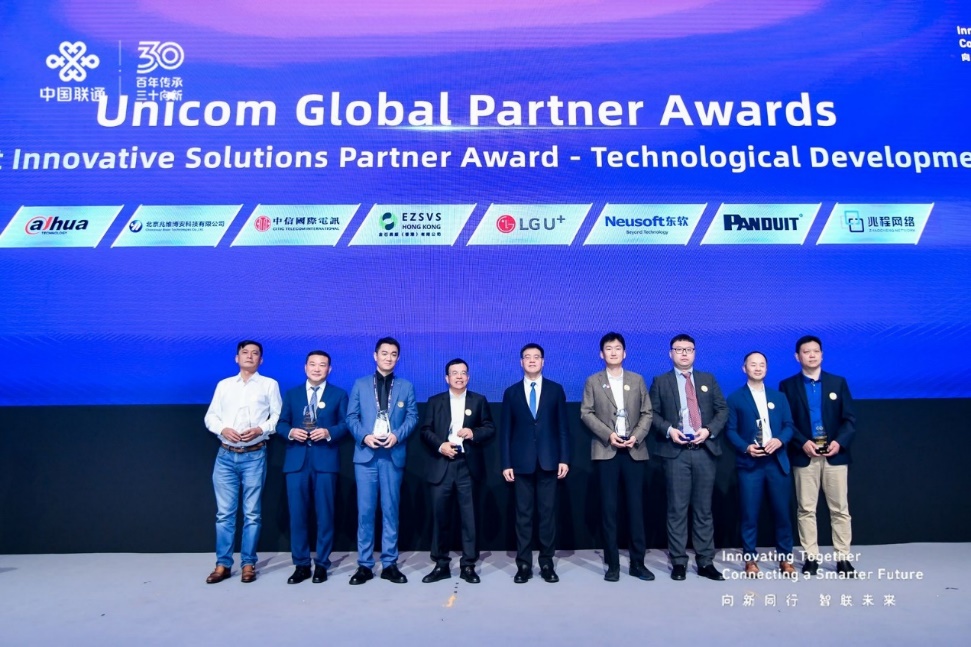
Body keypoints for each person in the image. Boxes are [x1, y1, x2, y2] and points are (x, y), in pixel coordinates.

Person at [649, 333, 727, 582]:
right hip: (676, 453)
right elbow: (652, 414)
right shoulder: (660, 381)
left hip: (704, 451)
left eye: (688, 349)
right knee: (677, 510)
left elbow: (722, 410)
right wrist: (670, 431)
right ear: (670, 353)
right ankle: (679, 561)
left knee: (704, 510)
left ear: (694, 353)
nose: (684, 353)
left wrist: (709, 430)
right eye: (679, 349)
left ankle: (705, 561)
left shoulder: (707, 379)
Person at [203, 340, 282, 584]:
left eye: (255, 353)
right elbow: (210, 417)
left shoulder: (269, 384)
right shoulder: (224, 385)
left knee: (252, 514)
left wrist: (261, 429)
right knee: (224, 514)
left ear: (261, 360)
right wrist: (222, 429)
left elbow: (277, 416)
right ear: (236, 358)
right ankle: (223, 564)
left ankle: (248, 563)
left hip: (254, 455)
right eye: (245, 352)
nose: (249, 356)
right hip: (225, 456)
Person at [779, 335, 858, 577]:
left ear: (822, 354)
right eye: (806, 352)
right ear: (797, 356)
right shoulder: (787, 386)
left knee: (840, 509)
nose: (812, 355)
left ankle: (843, 558)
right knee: (806, 509)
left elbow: (849, 420)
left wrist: (838, 442)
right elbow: (786, 422)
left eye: (816, 351)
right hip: (805, 456)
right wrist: (802, 442)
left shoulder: (838, 382)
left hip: (835, 455)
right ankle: (811, 558)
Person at [580, 332, 655, 582]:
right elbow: (586, 413)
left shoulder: (637, 379)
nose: (613, 352)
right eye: (609, 349)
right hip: (607, 451)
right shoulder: (593, 381)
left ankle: (637, 563)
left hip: (634, 451)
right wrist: (608, 434)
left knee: (636, 509)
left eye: (618, 348)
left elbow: (647, 412)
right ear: (601, 354)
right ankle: (612, 564)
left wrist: (637, 436)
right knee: (609, 510)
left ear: (625, 353)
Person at [346, 337, 418, 585]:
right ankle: (365, 565)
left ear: (398, 358)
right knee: (365, 512)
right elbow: (351, 417)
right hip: (366, 457)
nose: (389, 357)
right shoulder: (360, 384)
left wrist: (397, 435)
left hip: (391, 455)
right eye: (384, 353)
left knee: (390, 511)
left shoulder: (406, 386)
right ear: (375, 355)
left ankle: (389, 564)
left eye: (393, 354)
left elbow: (412, 416)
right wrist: (364, 436)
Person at [419, 358, 496, 584]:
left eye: (463, 372)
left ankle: (468, 565)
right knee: (440, 517)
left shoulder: (479, 400)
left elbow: (490, 427)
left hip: (467, 466)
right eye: (455, 373)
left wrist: (474, 433)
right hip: (442, 465)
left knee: (469, 519)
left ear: (468, 377)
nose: (459, 376)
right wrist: (440, 445)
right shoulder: (435, 401)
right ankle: (441, 564)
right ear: (447, 378)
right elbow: (425, 430)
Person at [276, 351, 349, 584]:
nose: (317, 369)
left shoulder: (339, 394)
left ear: (330, 369)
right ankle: (301, 564)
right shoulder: (292, 394)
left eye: (322, 365)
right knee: (297, 515)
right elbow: (281, 423)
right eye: (313, 364)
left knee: (325, 515)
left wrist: (329, 432)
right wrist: (290, 432)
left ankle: (322, 564)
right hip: (296, 462)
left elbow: (346, 424)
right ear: (305, 367)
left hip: (325, 461)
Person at [500, 343, 570, 583]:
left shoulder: (555, 390)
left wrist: (564, 458)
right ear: (521, 362)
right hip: (520, 463)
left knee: (547, 515)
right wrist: (506, 463)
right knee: (523, 516)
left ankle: (547, 563)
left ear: (543, 361)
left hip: (549, 461)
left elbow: (563, 428)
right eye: (527, 357)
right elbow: (505, 432)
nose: (532, 360)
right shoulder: (511, 392)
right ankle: (523, 565)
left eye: (536, 357)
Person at [725, 351, 796, 577]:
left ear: (766, 368)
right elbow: (730, 431)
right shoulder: (735, 398)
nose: (757, 368)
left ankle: (785, 559)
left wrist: (780, 440)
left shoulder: (779, 397)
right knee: (749, 515)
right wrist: (746, 447)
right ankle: (750, 560)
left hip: (777, 462)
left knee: (782, 514)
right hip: (750, 464)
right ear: (744, 368)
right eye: (753, 364)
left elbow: (789, 425)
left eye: (762, 364)